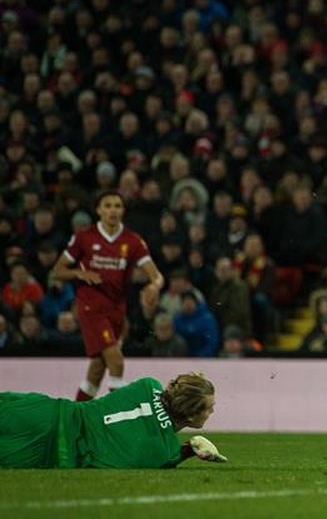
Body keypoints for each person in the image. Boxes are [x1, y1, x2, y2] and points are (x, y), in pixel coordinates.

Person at [51, 191, 165, 401]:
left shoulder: (132, 241)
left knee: (97, 368)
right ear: (99, 210)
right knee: (116, 361)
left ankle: (77, 417)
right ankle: (123, 420)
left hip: (116, 309)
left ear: (123, 210)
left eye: (118, 206)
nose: (113, 210)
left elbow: (156, 276)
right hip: (90, 307)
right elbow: (57, 271)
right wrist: (79, 273)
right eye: (108, 205)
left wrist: (154, 286)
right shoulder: (84, 237)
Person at [0, 372, 227, 468]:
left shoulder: (148, 385)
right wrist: (185, 452)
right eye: (209, 408)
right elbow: (153, 450)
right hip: (48, 449)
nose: (213, 412)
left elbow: (148, 421)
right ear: (189, 414)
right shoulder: (162, 451)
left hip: (48, 410)